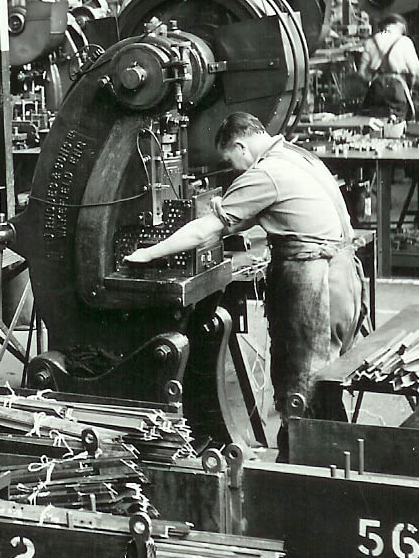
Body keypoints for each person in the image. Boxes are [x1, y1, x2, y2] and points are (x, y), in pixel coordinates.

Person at [124, 112, 367, 460]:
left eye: (230, 159)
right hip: (344, 278)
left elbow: (204, 230)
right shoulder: (298, 156)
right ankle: (331, 463)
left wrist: (149, 253)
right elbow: (257, 213)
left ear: (241, 145)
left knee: (301, 389)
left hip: (316, 285)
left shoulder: (265, 172)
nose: (234, 168)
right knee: (324, 386)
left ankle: (299, 475)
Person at [357, 13, 419, 119]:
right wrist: (410, 90)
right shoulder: (405, 41)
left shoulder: (370, 42)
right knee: (398, 122)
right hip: (397, 89)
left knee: (374, 122)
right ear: (398, 25)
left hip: (376, 88)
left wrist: (371, 83)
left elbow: (361, 73)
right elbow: (415, 73)